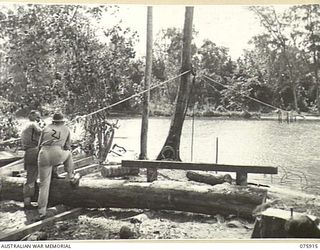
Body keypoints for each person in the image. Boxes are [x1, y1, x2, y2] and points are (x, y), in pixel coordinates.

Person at [37, 113, 80, 219]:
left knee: (43, 185)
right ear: (62, 121)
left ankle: (41, 210)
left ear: (53, 121)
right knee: (69, 153)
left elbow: (39, 145)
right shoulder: (66, 129)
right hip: (57, 152)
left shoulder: (46, 128)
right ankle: (71, 176)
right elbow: (67, 146)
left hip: (43, 153)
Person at [20, 110, 43, 210]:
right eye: (38, 117)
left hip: (28, 152)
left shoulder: (26, 126)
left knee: (30, 176)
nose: (39, 120)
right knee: (32, 177)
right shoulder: (33, 124)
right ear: (32, 116)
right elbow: (42, 133)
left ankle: (27, 201)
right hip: (34, 152)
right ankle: (28, 203)